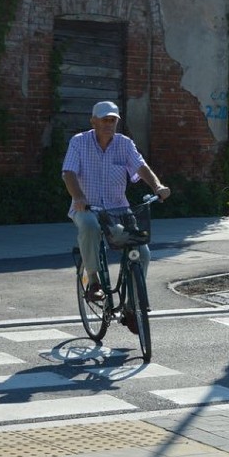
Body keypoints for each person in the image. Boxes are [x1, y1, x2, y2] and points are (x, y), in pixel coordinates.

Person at [62, 101, 171, 316]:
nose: (108, 124)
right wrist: (78, 196)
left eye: (112, 120)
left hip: (118, 209)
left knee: (142, 252)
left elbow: (141, 166)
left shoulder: (124, 144)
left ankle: (132, 306)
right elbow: (68, 173)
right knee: (90, 227)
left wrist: (158, 186)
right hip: (87, 207)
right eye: (104, 119)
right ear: (93, 121)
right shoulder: (79, 142)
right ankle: (93, 281)